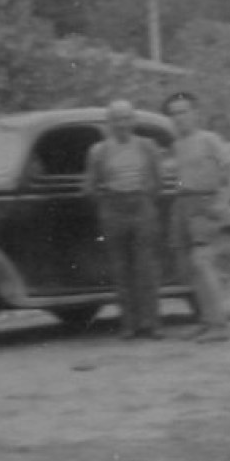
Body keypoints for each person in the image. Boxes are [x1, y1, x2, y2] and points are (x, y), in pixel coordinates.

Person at [83, 100, 166, 339]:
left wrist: (142, 198)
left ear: (133, 121)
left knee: (146, 268)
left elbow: (158, 181)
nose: (122, 124)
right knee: (121, 270)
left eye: (127, 118)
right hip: (113, 211)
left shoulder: (147, 146)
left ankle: (152, 323)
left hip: (141, 208)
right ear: (109, 123)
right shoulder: (99, 151)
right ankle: (129, 325)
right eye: (117, 119)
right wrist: (108, 200)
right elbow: (89, 186)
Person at [163, 90, 230, 342]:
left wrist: (224, 201)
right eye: (174, 114)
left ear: (195, 114)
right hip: (183, 203)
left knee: (202, 261)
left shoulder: (209, 139)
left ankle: (220, 325)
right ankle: (207, 321)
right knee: (193, 268)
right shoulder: (176, 145)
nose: (179, 118)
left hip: (205, 202)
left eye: (183, 112)